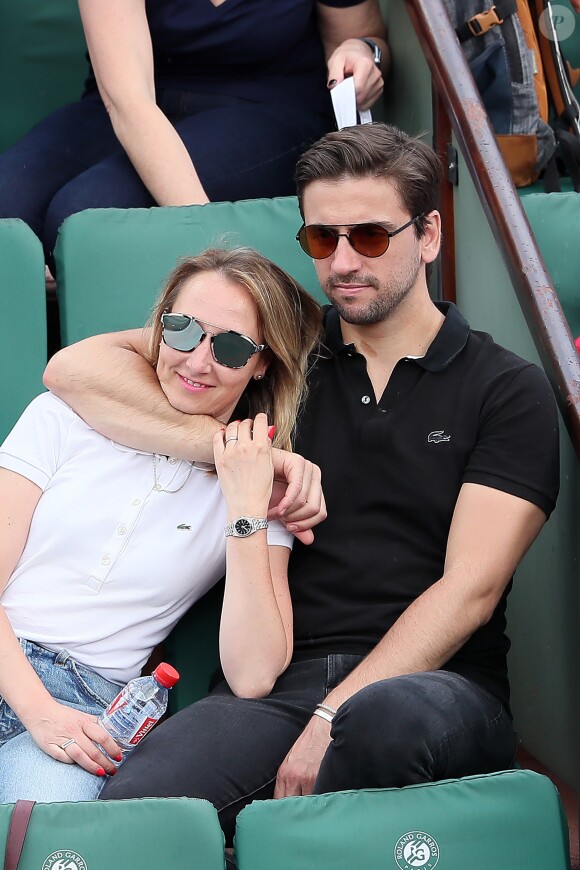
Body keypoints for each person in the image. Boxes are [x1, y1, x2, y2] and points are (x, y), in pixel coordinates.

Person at [44, 123, 559, 842]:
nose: (343, 262)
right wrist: (236, 450)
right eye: (322, 239)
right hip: (273, 682)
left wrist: (333, 715)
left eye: (371, 237)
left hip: (439, 688)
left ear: (430, 234)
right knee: (140, 805)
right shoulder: (277, 356)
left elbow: (469, 590)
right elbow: (73, 371)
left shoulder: (505, 388)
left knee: (385, 721)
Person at [0, 247, 324, 803]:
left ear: (263, 362)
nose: (198, 362)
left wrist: (244, 509)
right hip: (13, 659)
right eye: (180, 330)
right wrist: (37, 711)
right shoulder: (63, 415)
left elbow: (253, 675)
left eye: (230, 347)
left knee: (45, 843)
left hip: (87, 700)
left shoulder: (260, 489)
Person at [0, 0, 388, 267]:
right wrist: (209, 238)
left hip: (271, 107)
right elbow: (129, 101)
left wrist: (362, 50)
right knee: (8, 204)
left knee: (87, 214)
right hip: (136, 100)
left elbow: (364, 36)